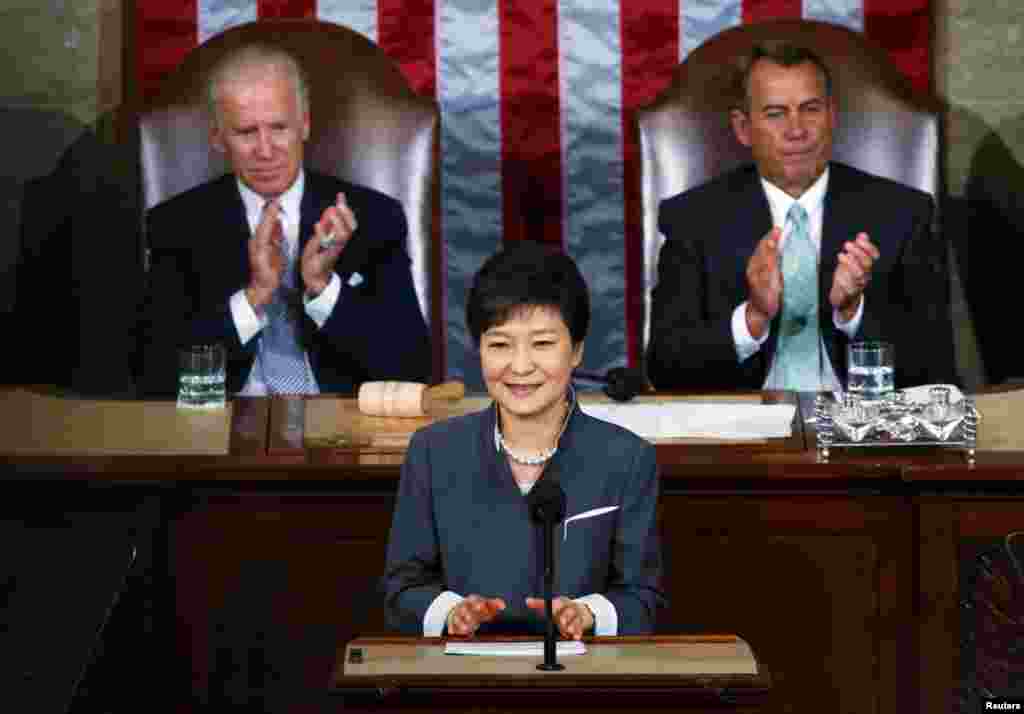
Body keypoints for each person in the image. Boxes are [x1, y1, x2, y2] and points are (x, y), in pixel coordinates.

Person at [382, 242, 665, 638]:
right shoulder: (433, 451)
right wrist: (451, 612)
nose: (520, 366)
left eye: (543, 344)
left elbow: (643, 600)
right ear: (478, 349)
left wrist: (587, 614)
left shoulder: (627, 458)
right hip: (464, 683)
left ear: (577, 351)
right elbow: (400, 592)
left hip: (583, 683)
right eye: (500, 344)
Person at [646, 43, 956, 391]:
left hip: (859, 431)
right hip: (745, 433)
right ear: (743, 128)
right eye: (776, 113)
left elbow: (936, 367)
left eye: (810, 109)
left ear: (832, 117)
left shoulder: (902, 213)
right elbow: (665, 366)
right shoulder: (692, 219)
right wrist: (753, 317)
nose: (796, 130)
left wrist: (854, 312)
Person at [138, 44, 430, 397]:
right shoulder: (176, 225)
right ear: (218, 137)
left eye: (279, 127)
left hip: (341, 428)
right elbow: (155, 377)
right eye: (246, 132)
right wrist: (255, 295)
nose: (265, 150)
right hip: (222, 426)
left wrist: (323, 287)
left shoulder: (373, 217)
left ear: (304, 125)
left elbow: (411, 368)